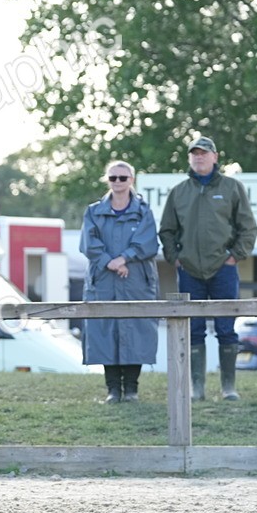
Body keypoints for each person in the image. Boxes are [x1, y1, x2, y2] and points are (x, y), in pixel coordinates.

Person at [159, 136, 257, 401]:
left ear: (215, 157)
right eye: (194, 154)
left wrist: (234, 256)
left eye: (204, 153)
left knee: (226, 328)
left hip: (223, 269)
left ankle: (228, 387)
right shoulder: (179, 192)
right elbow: (167, 230)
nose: (199, 157)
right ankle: (197, 388)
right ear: (189, 159)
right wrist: (175, 258)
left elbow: (248, 228)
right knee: (194, 329)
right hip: (189, 270)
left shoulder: (232, 188)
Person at [79, 161, 159, 404]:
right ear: (107, 180)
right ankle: (112, 389)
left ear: (131, 180)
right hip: (103, 280)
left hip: (136, 280)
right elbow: (88, 242)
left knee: (137, 331)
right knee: (104, 331)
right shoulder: (94, 211)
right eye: (113, 177)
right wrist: (109, 262)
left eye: (123, 178)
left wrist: (124, 258)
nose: (118, 182)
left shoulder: (144, 211)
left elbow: (148, 242)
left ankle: (132, 389)